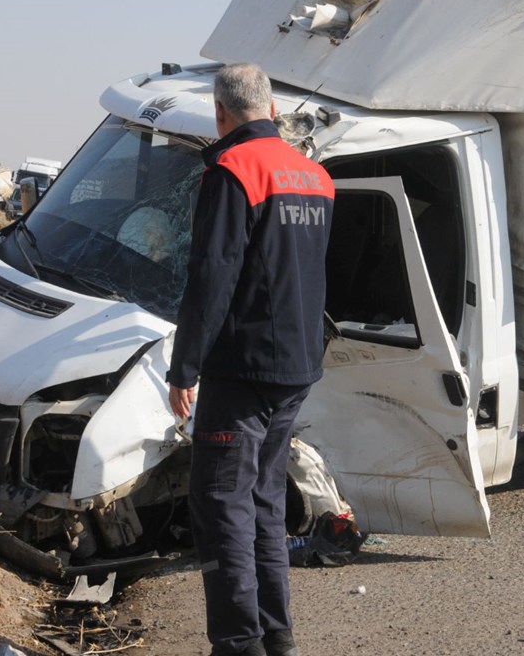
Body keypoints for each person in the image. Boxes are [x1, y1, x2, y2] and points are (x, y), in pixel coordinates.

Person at [166, 63, 334, 656]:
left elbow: (212, 276)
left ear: (220, 112)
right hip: (297, 367)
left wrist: (184, 367)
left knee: (221, 502)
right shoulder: (316, 177)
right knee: (263, 499)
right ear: (270, 106)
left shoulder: (233, 170)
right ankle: (276, 636)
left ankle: (239, 643)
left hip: (241, 371)